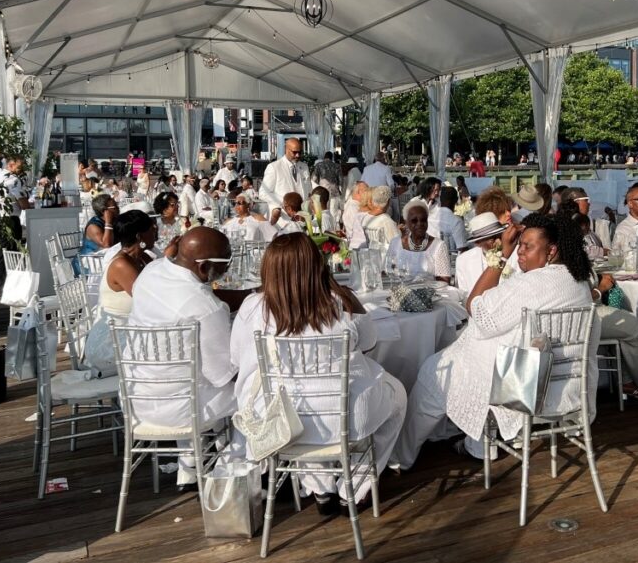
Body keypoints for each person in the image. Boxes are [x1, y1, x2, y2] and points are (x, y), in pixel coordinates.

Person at [392, 213, 596, 468]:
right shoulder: (578, 281)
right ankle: (476, 443)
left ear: (552, 250)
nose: (520, 252)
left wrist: (499, 257)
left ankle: (402, 456)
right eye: (519, 244)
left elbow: (475, 307)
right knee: (462, 361)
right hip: (565, 386)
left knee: (434, 372)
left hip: (522, 386)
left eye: (527, 246)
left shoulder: (532, 283)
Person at [230, 233, 406, 513]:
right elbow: (370, 343)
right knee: (397, 395)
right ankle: (355, 486)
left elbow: (236, 358)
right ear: (318, 265)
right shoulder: (342, 303)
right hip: (342, 420)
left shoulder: (252, 308)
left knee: (300, 406)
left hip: (280, 423)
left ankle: (319, 486)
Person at [125, 227, 238, 489]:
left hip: (138, 398)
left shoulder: (150, 273)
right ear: (204, 268)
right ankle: (235, 467)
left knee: (183, 370)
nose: (228, 268)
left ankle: (188, 470)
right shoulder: (206, 307)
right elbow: (221, 374)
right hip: (184, 410)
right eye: (226, 263)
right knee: (253, 386)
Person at [83, 210, 173, 377]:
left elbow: (164, 284)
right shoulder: (121, 264)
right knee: (173, 348)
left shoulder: (142, 257)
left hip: (129, 331)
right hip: (111, 342)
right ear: (139, 237)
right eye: (151, 228)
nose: (155, 229)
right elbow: (152, 300)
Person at [384, 201, 451, 282]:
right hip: (401, 292)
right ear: (406, 222)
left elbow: (444, 282)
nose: (420, 224)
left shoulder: (439, 246)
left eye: (423, 220)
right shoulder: (395, 243)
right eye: (414, 220)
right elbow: (388, 272)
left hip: (429, 293)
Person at [455, 212, 519, 295]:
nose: (498, 241)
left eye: (499, 235)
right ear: (478, 243)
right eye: (491, 239)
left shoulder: (517, 253)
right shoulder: (463, 260)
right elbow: (464, 296)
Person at [259, 137, 311, 220]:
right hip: (283, 218)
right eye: (294, 152)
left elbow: (308, 190)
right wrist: (282, 204)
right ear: (286, 150)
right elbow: (263, 193)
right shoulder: (274, 167)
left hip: (302, 218)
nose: (297, 155)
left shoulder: (304, 167)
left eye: (300, 152)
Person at [556, 187, 606, 259]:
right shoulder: (567, 225)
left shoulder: (582, 222)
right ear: (575, 202)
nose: (589, 204)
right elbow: (580, 250)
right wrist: (603, 252)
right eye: (586, 200)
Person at [74, 194, 117, 274]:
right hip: (87, 266)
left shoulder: (114, 220)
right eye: (114, 207)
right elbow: (106, 245)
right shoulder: (93, 226)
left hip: (102, 261)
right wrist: (108, 222)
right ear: (104, 211)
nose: (118, 208)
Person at [427, 186, 467, 252]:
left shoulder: (429, 217)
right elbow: (462, 248)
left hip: (429, 257)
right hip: (449, 258)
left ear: (440, 199)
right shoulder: (456, 221)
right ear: (456, 200)